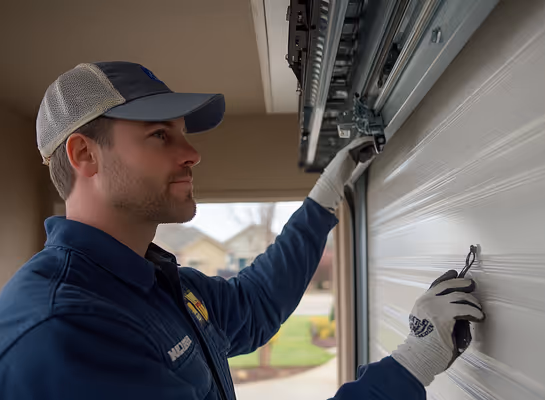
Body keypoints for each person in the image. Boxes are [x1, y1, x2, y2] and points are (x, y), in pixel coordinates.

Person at [0, 62, 485, 400]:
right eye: (160, 135)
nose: (192, 153)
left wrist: (323, 198)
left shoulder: (155, 284)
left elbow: (253, 305)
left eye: (182, 132)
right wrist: (412, 362)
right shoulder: (66, 328)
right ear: (85, 154)